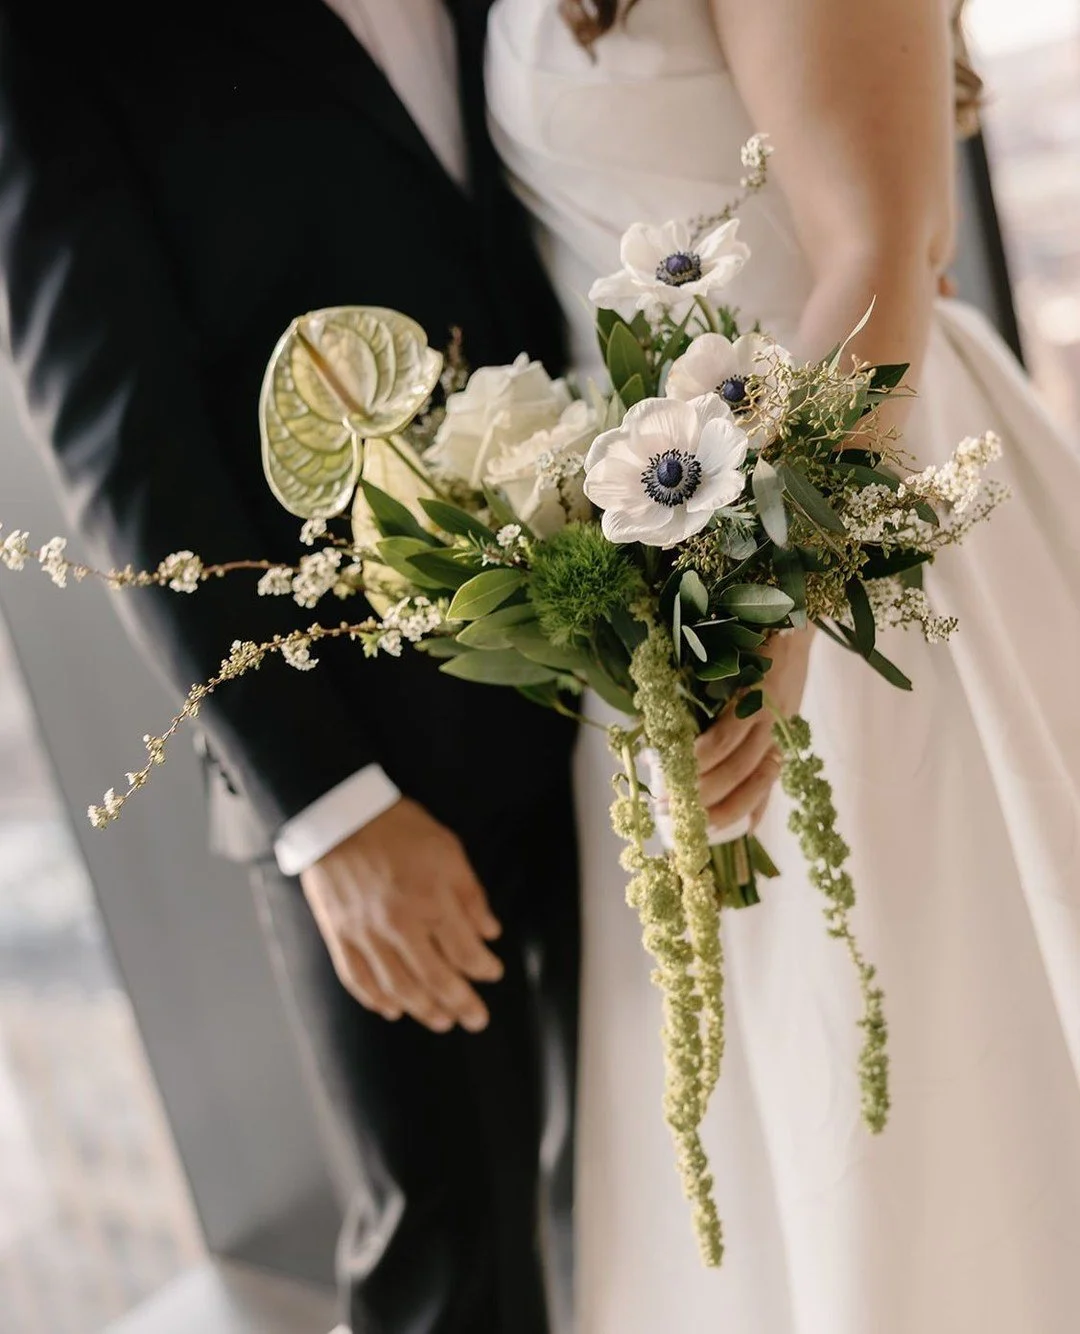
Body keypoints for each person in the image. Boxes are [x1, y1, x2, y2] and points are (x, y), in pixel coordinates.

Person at [486, 1, 1080, 1330]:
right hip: (670, 564)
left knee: (941, 1082)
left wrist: (778, 603)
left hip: (844, 545)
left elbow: (879, 247)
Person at [0, 2, 579, 1330]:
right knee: (453, 1263)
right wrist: (330, 811)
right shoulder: (52, 30)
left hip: (616, 668)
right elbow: (121, 449)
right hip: (375, 757)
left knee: (644, 1184)